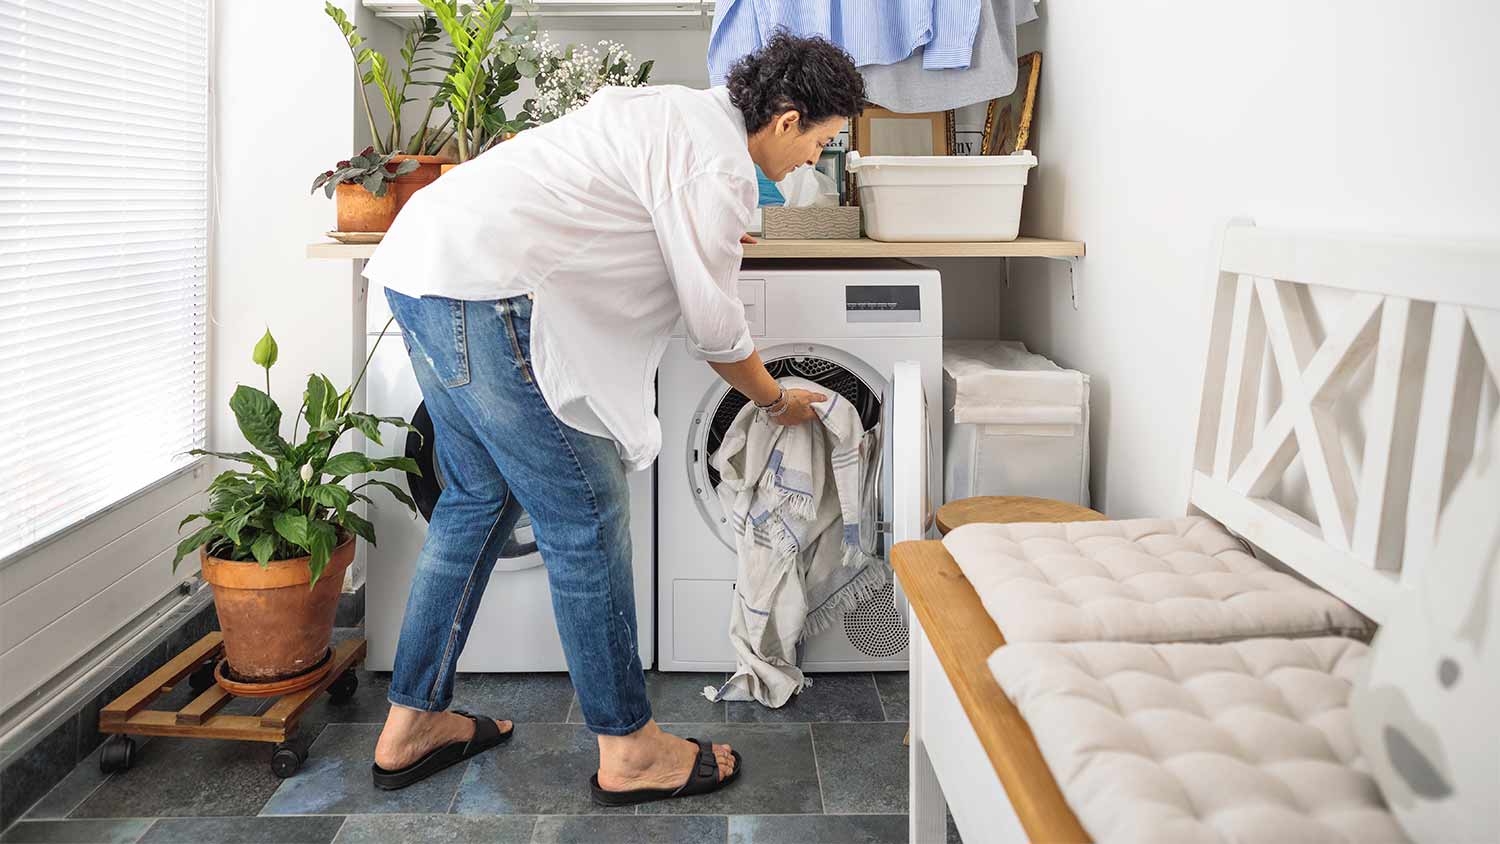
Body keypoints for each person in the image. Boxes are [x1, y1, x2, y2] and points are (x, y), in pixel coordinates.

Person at [357, 33, 867, 804]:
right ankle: (628, 749)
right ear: (788, 119)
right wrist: (774, 399)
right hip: (489, 291)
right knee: (586, 518)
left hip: (422, 266)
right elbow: (716, 330)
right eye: (821, 144)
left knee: (474, 500)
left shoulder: (678, 112)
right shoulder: (717, 160)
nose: (810, 165)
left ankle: (411, 723)